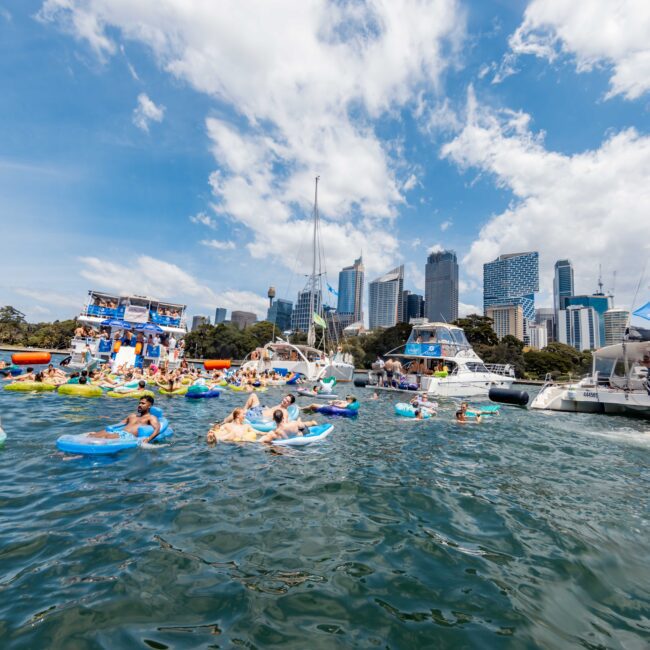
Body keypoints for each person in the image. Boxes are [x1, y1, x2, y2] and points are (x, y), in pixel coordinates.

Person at [87, 396, 161, 443]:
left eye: (143, 403)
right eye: (139, 403)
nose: (139, 405)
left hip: (127, 436)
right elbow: (120, 424)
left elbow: (157, 429)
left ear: (149, 405)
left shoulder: (150, 417)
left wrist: (148, 439)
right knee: (92, 436)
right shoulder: (132, 416)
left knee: (107, 438)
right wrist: (102, 431)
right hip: (119, 432)